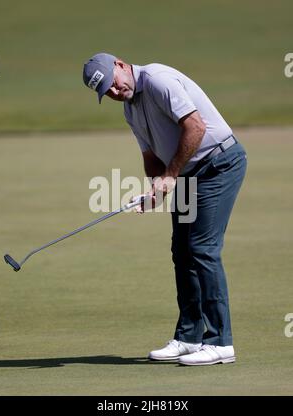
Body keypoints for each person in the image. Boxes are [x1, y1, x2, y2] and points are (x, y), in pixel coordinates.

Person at [82, 53, 247, 366]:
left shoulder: (158, 79)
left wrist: (171, 176)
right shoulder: (130, 109)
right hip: (188, 172)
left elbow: (195, 127)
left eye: (112, 84)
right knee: (182, 250)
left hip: (218, 164)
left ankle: (221, 343)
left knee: (202, 248)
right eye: (107, 93)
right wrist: (154, 190)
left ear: (119, 65)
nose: (115, 93)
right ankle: (189, 337)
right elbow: (151, 156)